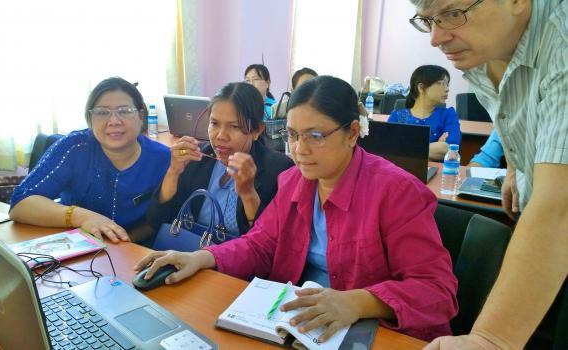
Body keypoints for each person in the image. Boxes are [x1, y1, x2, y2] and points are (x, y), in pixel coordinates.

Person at [135, 76, 458, 343]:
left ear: (352, 133)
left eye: (315, 136)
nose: (300, 150)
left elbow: (438, 291)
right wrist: (201, 258)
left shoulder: (396, 192)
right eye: (292, 135)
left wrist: (358, 301)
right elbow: (259, 244)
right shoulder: (294, 181)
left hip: (374, 333)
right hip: (298, 326)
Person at [407, 0, 568, 349]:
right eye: (427, 20)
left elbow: (561, 207)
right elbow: (512, 109)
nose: (435, 38)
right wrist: (516, 166)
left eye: (452, 13)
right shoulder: (484, 46)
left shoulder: (562, 39)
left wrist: (491, 340)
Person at [9, 77, 171, 243]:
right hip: (77, 250)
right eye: (102, 112)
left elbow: (161, 220)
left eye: (124, 111)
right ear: (90, 118)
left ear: (141, 116)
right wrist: (81, 216)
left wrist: (122, 244)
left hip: (137, 252)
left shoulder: (163, 158)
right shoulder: (74, 148)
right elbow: (20, 204)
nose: (114, 121)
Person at [144, 82, 293, 245]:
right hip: (190, 253)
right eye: (214, 124)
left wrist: (248, 193)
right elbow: (156, 221)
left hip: (237, 265)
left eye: (234, 126)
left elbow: (267, 244)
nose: (221, 136)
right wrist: (173, 172)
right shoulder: (196, 157)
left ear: (257, 130)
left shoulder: (279, 169)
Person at [388, 65, 461, 161]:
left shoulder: (448, 115)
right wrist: (433, 149)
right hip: (402, 172)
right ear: (421, 87)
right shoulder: (397, 116)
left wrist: (404, 149)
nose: (447, 89)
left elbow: (451, 150)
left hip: (436, 173)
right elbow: (388, 149)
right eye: (441, 83)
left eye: (447, 84)